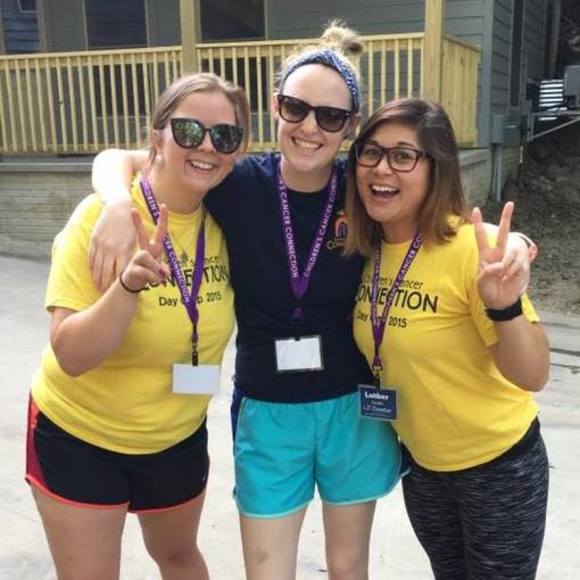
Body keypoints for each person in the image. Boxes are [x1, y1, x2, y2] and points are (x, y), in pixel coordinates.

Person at [87, 23, 534, 580]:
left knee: (348, 567)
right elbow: (128, 157)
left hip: (353, 405)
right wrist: (113, 202)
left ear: (350, 125)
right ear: (276, 106)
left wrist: (511, 241)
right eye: (295, 108)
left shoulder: (364, 187)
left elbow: (437, 219)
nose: (309, 127)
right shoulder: (235, 181)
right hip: (268, 406)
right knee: (268, 570)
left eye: (330, 116)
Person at [26, 72, 250, 580]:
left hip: (176, 436)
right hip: (81, 435)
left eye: (225, 135)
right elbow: (71, 356)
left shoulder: (227, 219)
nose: (207, 146)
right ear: (157, 137)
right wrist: (127, 286)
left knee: (179, 558)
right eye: (189, 131)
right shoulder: (102, 220)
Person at [345, 97, 550, 579]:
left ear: (436, 168)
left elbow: (534, 375)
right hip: (423, 468)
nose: (381, 168)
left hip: (497, 466)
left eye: (403, 156)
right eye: (371, 152)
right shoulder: (365, 250)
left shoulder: (469, 250)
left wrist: (504, 305)